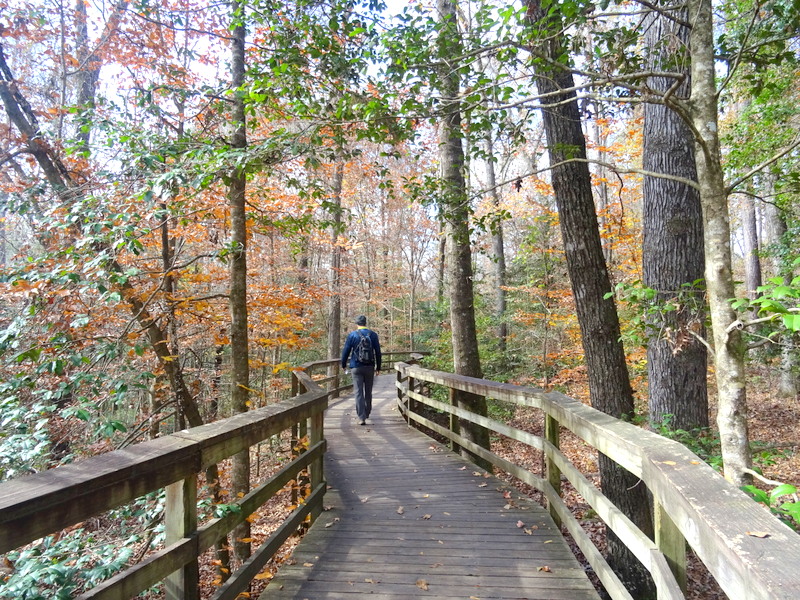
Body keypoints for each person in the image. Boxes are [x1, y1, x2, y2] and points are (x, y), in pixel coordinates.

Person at [341, 315, 382, 425]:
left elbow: (346, 351)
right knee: (368, 391)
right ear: (365, 323)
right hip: (369, 367)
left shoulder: (352, 335)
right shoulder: (373, 335)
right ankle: (367, 412)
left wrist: (343, 364)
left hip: (356, 367)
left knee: (358, 392)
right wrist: (378, 367)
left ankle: (361, 417)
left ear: (357, 323)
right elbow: (378, 352)